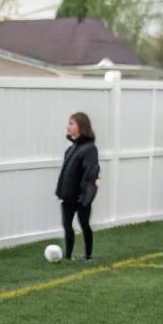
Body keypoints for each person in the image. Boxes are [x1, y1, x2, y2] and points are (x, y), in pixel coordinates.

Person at [54, 112, 100, 262]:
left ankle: (88, 255)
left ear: (81, 127)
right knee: (67, 225)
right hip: (68, 195)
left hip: (81, 197)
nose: (68, 126)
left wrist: (85, 196)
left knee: (84, 224)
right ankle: (68, 256)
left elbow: (91, 172)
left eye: (71, 123)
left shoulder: (89, 149)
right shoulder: (71, 148)